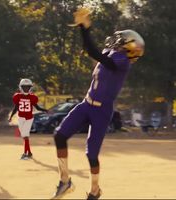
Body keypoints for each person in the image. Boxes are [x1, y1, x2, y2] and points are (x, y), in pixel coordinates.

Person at [52, 7, 145, 199]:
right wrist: (84, 29)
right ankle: (65, 181)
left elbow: (93, 52)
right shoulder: (112, 53)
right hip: (86, 104)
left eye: (121, 42)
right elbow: (92, 50)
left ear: (129, 49)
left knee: (91, 155)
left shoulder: (123, 62)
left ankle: (95, 191)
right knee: (60, 136)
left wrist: (84, 28)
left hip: (101, 112)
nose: (116, 42)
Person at [9, 79, 47, 160]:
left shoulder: (32, 97)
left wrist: (45, 110)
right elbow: (16, 108)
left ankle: (25, 153)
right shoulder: (17, 96)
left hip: (29, 118)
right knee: (24, 136)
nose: (26, 89)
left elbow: (37, 107)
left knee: (25, 135)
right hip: (20, 118)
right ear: (20, 87)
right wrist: (11, 116)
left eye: (27, 87)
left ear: (30, 88)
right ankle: (29, 152)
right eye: (24, 87)